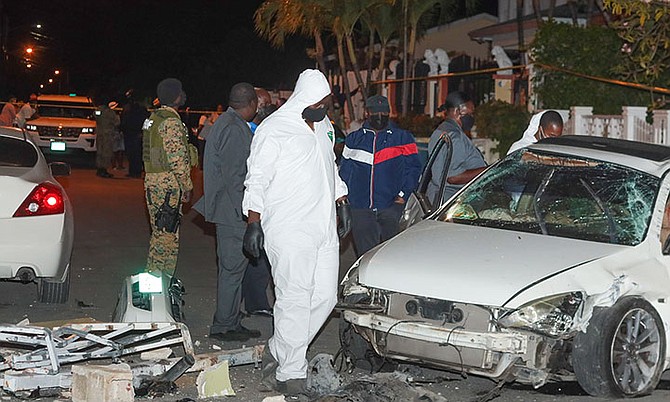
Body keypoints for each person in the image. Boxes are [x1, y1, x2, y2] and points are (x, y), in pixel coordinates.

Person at [242, 69, 351, 398]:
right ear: (303, 99)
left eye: (327, 103)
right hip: (288, 227)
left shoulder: (323, 126)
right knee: (293, 298)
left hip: (323, 226)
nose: (324, 108)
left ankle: (278, 348)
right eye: (320, 103)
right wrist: (253, 221)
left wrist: (341, 198)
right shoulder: (274, 129)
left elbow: (330, 165)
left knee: (326, 297)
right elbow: (256, 177)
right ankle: (290, 373)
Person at [193, 83, 261, 342]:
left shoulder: (225, 122)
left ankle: (231, 320)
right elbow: (236, 178)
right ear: (252, 103)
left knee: (234, 270)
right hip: (233, 212)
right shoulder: (234, 129)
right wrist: (249, 215)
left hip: (229, 210)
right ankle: (223, 325)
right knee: (232, 271)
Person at [339, 95, 422, 257]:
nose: (380, 116)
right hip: (361, 208)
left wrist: (402, 195)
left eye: (384, 112)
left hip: (390, 206)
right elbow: (345, 172)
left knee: (390, 256)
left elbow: (414, 168)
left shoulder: (402, 138)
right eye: (375, 112)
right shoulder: (354, 139)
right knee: (365, 256)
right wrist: (347, 201)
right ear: (367, 113)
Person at [142, 78, 194, 276]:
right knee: (165, 238)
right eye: (180, 92)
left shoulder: (154, 118)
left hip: (153, 181)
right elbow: (177, 159)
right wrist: (187, 186)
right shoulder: (170, 122)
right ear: (176, 97)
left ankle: (160, 279)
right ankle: (156, 280)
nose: (183, 95)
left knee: (162, 234)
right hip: (167, 185)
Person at [241, 87, 277, 318]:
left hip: (267, 199)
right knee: (253, 257)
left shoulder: (267, 128)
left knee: (261, 257)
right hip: (250, 200)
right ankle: (247, 304)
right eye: (263, 104)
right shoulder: (245, 129)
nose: (267, 108)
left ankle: (256, 302)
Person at [426, 91, 487, 207]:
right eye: (470, 113)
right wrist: (487, 171)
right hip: (451, 201)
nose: (472, 117)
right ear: (457, 111)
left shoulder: (442, 130)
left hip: (439, 197)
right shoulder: (455, 136)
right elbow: (453, 177)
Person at [121, 91, 149, 178]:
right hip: (129, 134)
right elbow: (124, 120)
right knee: (131, 154)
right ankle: (133, 172)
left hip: (136, 134)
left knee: (136, 154)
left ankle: (136, 172)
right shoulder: (128, 108)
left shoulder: (141, 109)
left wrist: (143, 132)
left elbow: (147, 121)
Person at [94, 100, 120, 178]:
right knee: (107, 153)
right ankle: (103, 170)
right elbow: (117, 122)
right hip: (107, 135)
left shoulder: (98, 111)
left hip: (100, 134)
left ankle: (99, 169)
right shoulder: (110, 113)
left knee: (99, 152)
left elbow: (96, 117)